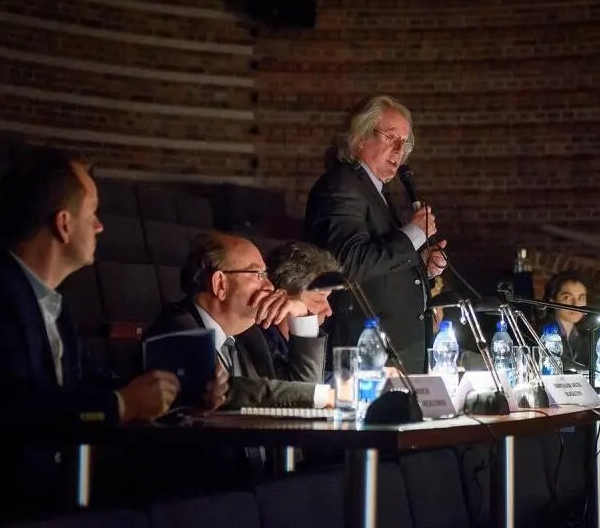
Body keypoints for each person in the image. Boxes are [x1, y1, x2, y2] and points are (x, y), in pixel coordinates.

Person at [0, 146, 227, 519]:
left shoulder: (53, 306)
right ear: (64, 224)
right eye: (92, 213)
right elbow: (15, 408)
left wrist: (181, 393)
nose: (99, 226)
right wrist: (122, 405)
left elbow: (93, 384)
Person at [305, 94, 447, 374]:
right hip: (363, 354)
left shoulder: (377, 191)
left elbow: (381, 266)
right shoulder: (341, 186)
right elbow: (348, 263)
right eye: (391, 137)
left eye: (404, 142)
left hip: (396, 353)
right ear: (360, 137)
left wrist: (421, 266)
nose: (399, 150)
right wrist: (413, 235)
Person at [146, 231, 335, 409]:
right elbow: (220, 390)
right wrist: (319, 395)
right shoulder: (176, 329)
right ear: (220, 284)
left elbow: (299, 396)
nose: (270, 286)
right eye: (258, 275)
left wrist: (301, 318)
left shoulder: (251, 337)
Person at [262, 241, 340, 377]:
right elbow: (304, 386)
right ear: (282, 297)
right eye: (318, 299)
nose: (328, 312)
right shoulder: (262, 347)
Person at [541, 270, 591, 369]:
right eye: (567, 297)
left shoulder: (585, 335)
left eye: (581, 298)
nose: (575, 304)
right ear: (552, 301)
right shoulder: (542, 334)